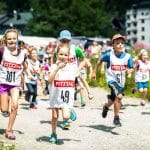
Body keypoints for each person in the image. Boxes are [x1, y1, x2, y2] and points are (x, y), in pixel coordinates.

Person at [48, 45, 93, 144]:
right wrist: (57, 69)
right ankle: (53, 134)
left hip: (66, 98)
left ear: (68, 56)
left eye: (65, 55)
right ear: (57, 55)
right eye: (61, 54)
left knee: (66, 117)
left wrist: (89, 92)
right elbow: (49, 80)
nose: (63, 56)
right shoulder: (53, 67)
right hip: (55, 96)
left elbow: (82, 79)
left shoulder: (72, 68)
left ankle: (69, 109)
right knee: (55, 117)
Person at [92, 34, 134, 126]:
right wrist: (94, 72)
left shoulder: (128, 56)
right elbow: (100, 60)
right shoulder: (109, 55)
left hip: (121, 83)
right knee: (119, 97)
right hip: (111, 80)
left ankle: (106, 107)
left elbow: (131, 67)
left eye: (122, 43)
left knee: (113, 99)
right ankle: (116, 118)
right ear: (113, 45)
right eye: (117, 43)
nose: (120, 45)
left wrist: (129, 71)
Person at [0, 28, 29, 140]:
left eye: (14, 38)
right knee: (4, 110)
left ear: (17, 39)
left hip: (15, 85)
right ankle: (3, 104)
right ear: (6, 40)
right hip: (3, 83)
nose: (12, 40)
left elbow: (24, 64)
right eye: (9, 39)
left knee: (15, 104)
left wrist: (29, 73)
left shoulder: (23, 53)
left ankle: (9, 130)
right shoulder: (2, 51)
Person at [55, 29, 86, 129]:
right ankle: (69, 109)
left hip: (72, 76)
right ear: (60, 40)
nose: (65, 43)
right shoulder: (58, 49)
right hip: (61, 76)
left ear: (70, 40)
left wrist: (78, 69)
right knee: (60, 99)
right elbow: (56, 61)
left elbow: (83, 60)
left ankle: (65, 120)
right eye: (63, 40)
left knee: (67, 97)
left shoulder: (75, 49)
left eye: (67, 41)